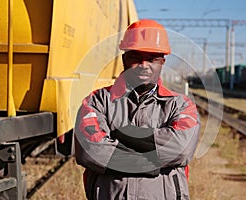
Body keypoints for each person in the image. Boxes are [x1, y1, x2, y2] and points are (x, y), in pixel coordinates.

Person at [74, 19, 201, 200]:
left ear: (162, 62)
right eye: (136, 57)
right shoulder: (97, 102)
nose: (143, 65)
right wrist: (149, 162)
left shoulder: (181, 105)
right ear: (124, 58)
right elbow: (90, 150)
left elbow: (181, 148)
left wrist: (123, 135)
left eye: (151, 59)